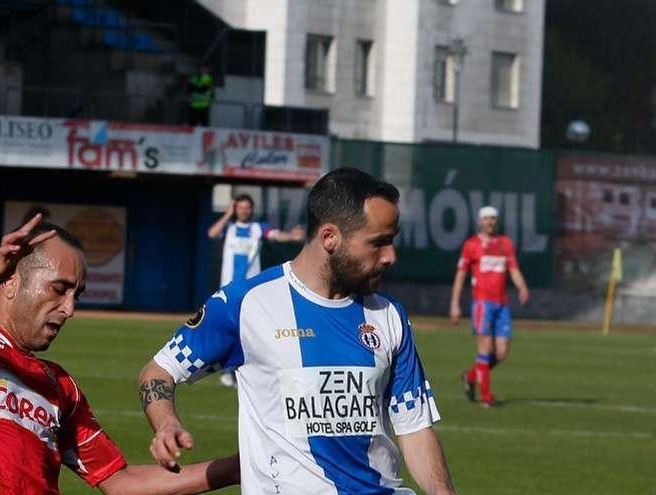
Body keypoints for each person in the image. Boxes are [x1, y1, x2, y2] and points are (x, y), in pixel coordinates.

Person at [140, 168, 458, 494]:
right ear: (330, 238)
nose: (391, 256)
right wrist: (166, 423)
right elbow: (158, 372)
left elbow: (414, 426)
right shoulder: (244, 304)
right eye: (379, 243)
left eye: (392, 240)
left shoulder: (389, 314)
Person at [0, 214, 239, 495]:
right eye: (59, 289)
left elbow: (120, 481)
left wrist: (242, 466)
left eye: (76, 295)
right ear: (11, 280)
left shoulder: (60, 384)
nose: (69, 308)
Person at [206, 193, 305, 387]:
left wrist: (292, 236)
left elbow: (276, 235)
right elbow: (211, 233)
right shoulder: (229, 228)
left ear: (252, 209)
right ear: (236, 209)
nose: (244, 210)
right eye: (240, 207)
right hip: (229, 289)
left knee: (252, 332)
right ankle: (227, 371)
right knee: (230, 331)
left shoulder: (258, 228)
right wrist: (227, 214)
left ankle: (246, 371)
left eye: (247, 207)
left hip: (251, 290)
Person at [449, 206, 529, 408]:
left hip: (502, 304)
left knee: (501, 353)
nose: (490, 222)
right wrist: (455, 303)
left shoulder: (505, 244)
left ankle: (470, 376)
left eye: (493, 218)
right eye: (486, 218)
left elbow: (514, 269)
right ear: (479, 222)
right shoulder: (471, 245)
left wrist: (522, 287)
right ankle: (486, 397)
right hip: (482, 304)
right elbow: (460, 275)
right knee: (485, 349)